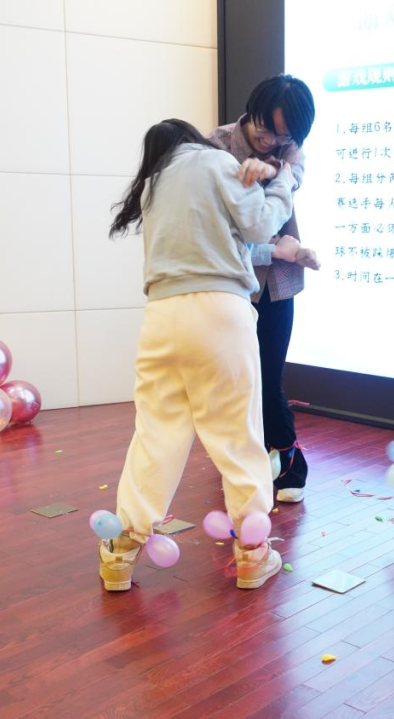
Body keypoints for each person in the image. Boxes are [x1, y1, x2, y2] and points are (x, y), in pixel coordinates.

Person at [99, 118, 295, 592]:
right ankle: (252, 553)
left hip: (162, 316)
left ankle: (121, 548)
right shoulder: (215, 162)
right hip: (219, 311)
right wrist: (283, 183)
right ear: (192, 139)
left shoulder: (153, 185)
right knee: (237, 433)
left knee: (156, 432)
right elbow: (260, 225)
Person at [206, 74, 320, 504]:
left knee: (269, 377)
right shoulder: (215, 147)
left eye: (283, 135)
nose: (271, 140)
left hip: (275, 284)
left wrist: (275, 169)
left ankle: (288, 460)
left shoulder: (290, 152)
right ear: (251, 110)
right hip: (229, 282)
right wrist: (280, 250)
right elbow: (223, 234)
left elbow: (292, 176)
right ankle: (246, 465)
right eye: (264, 128)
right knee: (235, 381)